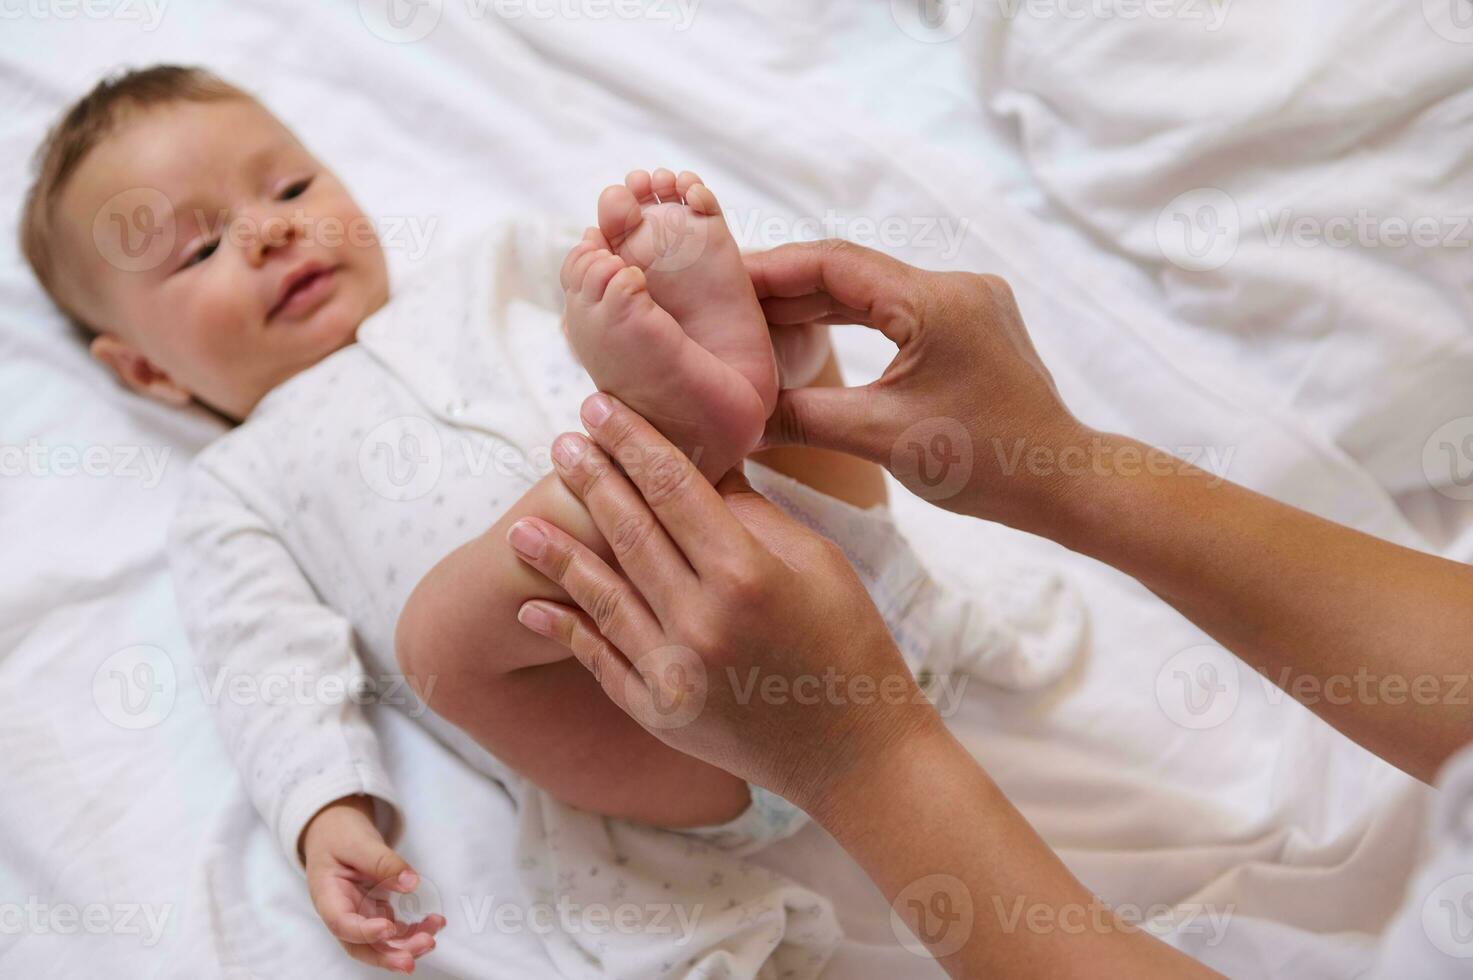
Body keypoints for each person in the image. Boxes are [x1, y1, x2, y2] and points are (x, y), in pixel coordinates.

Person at [23, 67, 1060, 975]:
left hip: (837, 608)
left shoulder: (487, 267)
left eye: (291, 186)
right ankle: (665, 429)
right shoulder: (235, 483)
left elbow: (593, 270)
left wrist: (637, 277)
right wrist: (322, 811)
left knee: (771, 432)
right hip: (652, 731)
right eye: (199, 249)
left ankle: (754, 373)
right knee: (443, 636)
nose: (271, 228)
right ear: (147, 370)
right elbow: (264, 663)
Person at [508, 239, 1473, 978]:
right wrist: (1064, 463)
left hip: (693, 733)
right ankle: (757, 391)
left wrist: (861, 758)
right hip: (797, 650)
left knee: (454, 639)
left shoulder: (482, 266)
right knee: (815, 517)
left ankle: (682, 429)